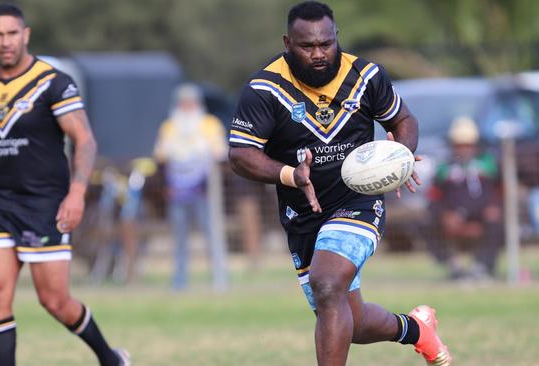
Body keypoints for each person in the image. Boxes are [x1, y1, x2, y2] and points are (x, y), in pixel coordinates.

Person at [228, 2, 451, 365]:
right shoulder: (265, 89)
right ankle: (417, 329)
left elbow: (403, 120)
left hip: (358, 201)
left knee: (328, 283)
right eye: (307, 46)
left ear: (336, 38)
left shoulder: (365, 75)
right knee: (353, 322)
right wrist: (291, 175)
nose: (318, 54)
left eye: (326, 44)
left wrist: (401, 155)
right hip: (303, 213)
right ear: (288, 43)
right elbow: (240, 155)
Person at [0, 4, 129, 366]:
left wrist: (76, 194)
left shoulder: (54, 82)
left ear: (25, 35)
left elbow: (85, 141)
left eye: (12, 33)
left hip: (46, 205)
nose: (5, 42)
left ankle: (109, 358)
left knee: (54, 301)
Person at [153, 83, 229, 292]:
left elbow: (220, 152)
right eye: (183, 102)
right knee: (179, 239)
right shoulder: (169, 126)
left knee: (212, 235)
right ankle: (179, 281)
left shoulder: (210, 124)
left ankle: (220, 278)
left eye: (191, 102)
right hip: (178, 191)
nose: (187, 106)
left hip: (205, 191)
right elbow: (161, 156)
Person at [427, 117, 503, 281]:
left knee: (497, 222)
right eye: (459, 145)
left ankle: (482, 266)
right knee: (426, 223)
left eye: (468, 145)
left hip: (482, 215)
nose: (464, 149)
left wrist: (493, 207)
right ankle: (454, 266)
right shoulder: (444, 168)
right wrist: (444, 215)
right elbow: (434, 197)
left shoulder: (488, 163)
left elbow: (500, 191)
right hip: (453, 216)